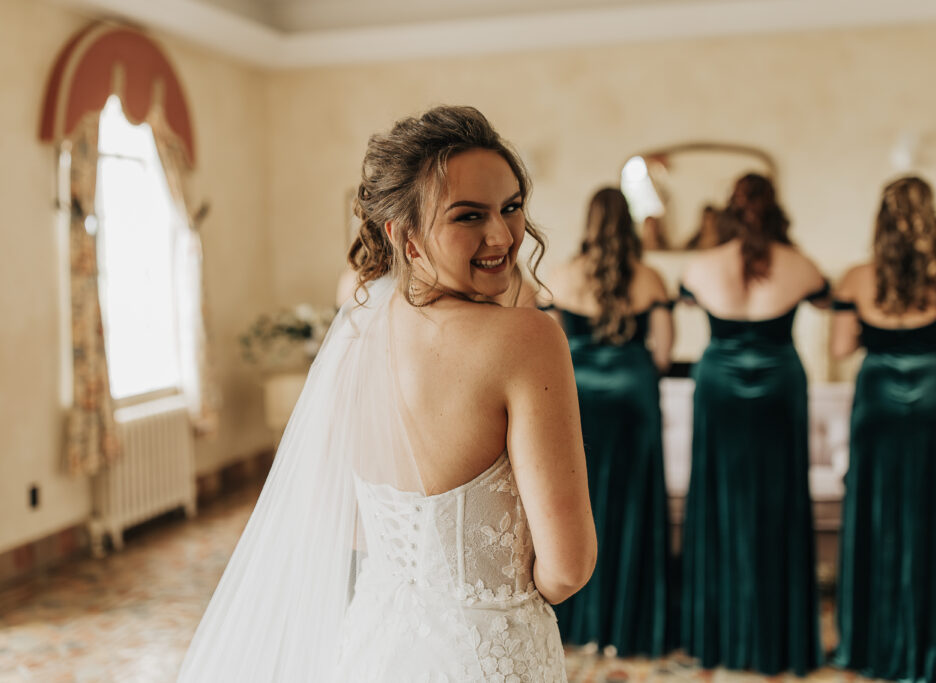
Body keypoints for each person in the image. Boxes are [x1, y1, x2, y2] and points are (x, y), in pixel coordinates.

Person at [179, 106, 596, 681]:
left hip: (376, 642)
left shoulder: (358, 322)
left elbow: (347, 522)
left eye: (512, 206)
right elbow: (568, 567)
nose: (502, 235)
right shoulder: (528, 339)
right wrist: (495, 598)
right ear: (407, 236)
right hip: (487, 656)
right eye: (469, 216)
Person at [830, 176, 936, 683]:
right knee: (934, 516)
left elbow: (840, 347)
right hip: (934, 399)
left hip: (877, 400)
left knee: (879, 513)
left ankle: (876, 642)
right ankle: (935, 643)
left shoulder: (857, 277)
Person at [677, 173, 825, 676]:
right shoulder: (800, 265)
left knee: (720, 502)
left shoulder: (700, 267)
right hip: (780, 386)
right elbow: (826, 296)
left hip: (718, 386)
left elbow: (687, 299)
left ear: (728, 211)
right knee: (778, 504)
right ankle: (777, 637)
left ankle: (716, 635)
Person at [543, 187, 674, 657]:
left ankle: (582, 622)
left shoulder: (561, 276)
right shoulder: (651, 279)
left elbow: (550, 351)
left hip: (580, 404)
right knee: (632, 506)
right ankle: (629, 624)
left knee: (576, 503)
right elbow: (661, 354)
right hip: (633, 402)